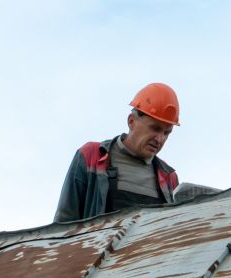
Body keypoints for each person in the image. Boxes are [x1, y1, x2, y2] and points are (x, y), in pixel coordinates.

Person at [54, 83, 181, 223]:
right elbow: (63, 225)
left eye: (166, 133)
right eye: (155, 128)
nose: (160, 139)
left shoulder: (169, 178)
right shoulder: (90, 156)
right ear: (131, 122)